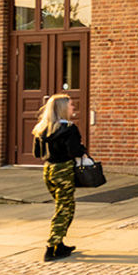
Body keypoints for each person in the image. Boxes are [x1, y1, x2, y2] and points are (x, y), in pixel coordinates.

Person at [33, 93, 85, 261]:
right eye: (70, 105)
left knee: (64, 206)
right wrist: (82, 150)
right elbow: (74, 151)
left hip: (48, 169)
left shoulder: (41, 128)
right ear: (62, 108)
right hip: (63, 170)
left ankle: (60, 243)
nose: (73, 107)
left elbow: (37, 153)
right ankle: (52, 246)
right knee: (64, 208)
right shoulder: (69, 128)